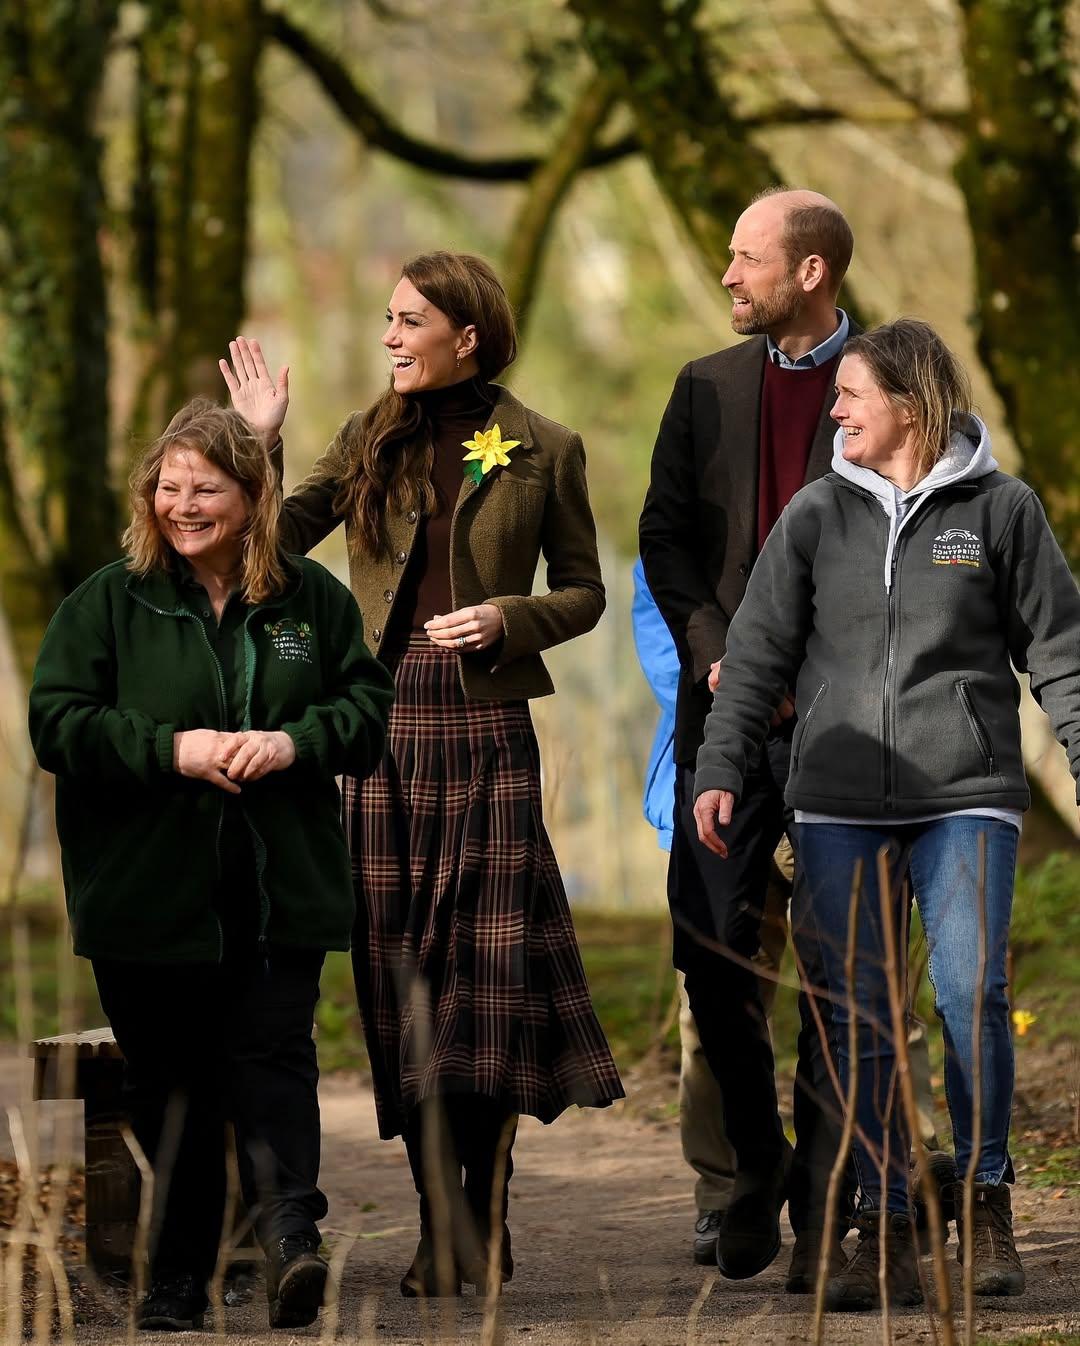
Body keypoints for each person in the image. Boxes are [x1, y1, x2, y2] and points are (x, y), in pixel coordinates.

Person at [220, 251, 624, 1297]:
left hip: (486, 730)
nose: (390, 337)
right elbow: (270, 543)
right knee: (398, 980)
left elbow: (584, 590)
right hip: (376, 728)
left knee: (482, 988)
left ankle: (479, 1220)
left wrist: (507, 616)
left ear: (468, 335)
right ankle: (436, 1217)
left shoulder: (545, 448)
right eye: (388, 320)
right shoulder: (367, 436)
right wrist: (255, 443)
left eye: (409, 320)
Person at [693, 318, 1080, 1310]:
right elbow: (759, 651)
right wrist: (720, 766)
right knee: (856, 1015)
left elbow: (1062, 652)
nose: (836, 409)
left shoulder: (1001, 510)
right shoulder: (818, 513)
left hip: (968, 794)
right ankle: (887, 1216)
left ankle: (985, 1192)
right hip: (837, 803)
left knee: (970, 997)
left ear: (911, 402)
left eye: (853, 394)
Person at [28, 401, 394, 1331]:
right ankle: (178, 1273)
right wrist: (171, 750)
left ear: (255, 492)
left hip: (278, 889)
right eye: (168, 486)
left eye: (206, 488)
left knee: (273, 1058)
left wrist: (292, 742)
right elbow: (57, 722)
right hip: (148, 895)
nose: (182, 505)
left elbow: (365, 712)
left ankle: (288, 1240)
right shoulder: (108, 601)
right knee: (169, 1083)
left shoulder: (310, 601)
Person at [639, 187, 859, 1289]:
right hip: (720, 715)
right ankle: (758, 1157)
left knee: (840, 968)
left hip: (842, 725)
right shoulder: (705, 387)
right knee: (708, 946)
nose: (727, 275)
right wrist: (716, 644)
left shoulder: (893, 388)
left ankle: (824, 1201)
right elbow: (664, 539)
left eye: (744, 257)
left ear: (809, 271)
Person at [631, 557, 787, 1265]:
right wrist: (737, 684)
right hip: (713, 784)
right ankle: (724, 1192)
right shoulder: (679, 536)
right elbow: (669, 654)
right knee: (713, 1003)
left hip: (819, 766)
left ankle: (875, 1179)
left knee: (862, 995)